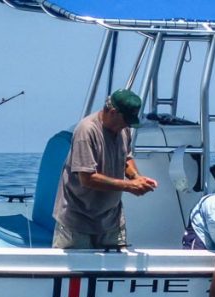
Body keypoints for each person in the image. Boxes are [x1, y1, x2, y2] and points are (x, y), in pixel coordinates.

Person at [52, 89, 158, 249]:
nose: (126, 126)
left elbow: (126, 158)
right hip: (77, 220)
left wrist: (136, 177)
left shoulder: (124, 129)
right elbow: (87, 179)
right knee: (77, 271)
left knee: (116, 270)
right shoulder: (86, 131)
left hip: (111, 220)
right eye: (125, 120)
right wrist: (129, 186)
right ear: (113, 112)